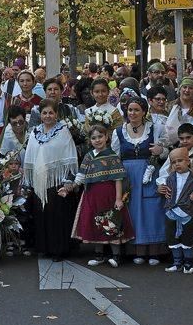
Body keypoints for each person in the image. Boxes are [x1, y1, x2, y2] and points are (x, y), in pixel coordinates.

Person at [67, 124, 134, 268]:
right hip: (91, 195)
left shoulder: (112, 157)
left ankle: (116, 256)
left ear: (106, 137)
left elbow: (118, 179)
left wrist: (118, 198)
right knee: (96, 223)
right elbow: (81, 175)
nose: (97, 140)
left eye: (100, 137)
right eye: (93, 138)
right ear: (90, 140)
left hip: (108, 196)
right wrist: (71, 187)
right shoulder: (88, 156)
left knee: (111, 222)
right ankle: (99, 255)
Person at [112, 97, 168, 266]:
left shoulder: (156, 128)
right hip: (128, 177)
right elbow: (115, 157)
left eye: (136, 110)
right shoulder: (119, 132)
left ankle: (154, 252)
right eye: (130, 110)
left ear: (144, 111)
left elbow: (166, 152)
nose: (133, 113)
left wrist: (161, 150)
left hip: (149, 174)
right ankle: (137, 251)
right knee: (133, 212)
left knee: (152, 211)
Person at [22, 99, 79, 261]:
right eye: (44, 113)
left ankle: (59, 249)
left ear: (56, 114)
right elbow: (29, 157)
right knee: (41, 215)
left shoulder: (63, 131)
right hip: (39, 181)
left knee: (57, 216)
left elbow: (70, 157)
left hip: (57, 182)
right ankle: (44, 247)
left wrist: (68, 181)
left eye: (51, 113)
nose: (47, 116)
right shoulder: (34, 132)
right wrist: (28, 182)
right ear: (40, 115)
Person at [157, 123, 193, 272]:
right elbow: (164, 173)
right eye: (182, 138)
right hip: (176, 201)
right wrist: (161, 185)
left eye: (188, 137)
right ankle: (178, 261)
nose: (185, 141)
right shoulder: (174, 156)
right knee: (177, 231)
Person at [159, 148, 193, 274]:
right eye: (174, 162)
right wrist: (160, 191)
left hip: (187, 213)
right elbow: (163, 191)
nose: (177, 164)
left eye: (180, 161)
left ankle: (188, 263)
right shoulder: (169, 178)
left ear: (188, 161)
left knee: (188, 238)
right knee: (172, 238)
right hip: (171, 212)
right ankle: (177, 262)